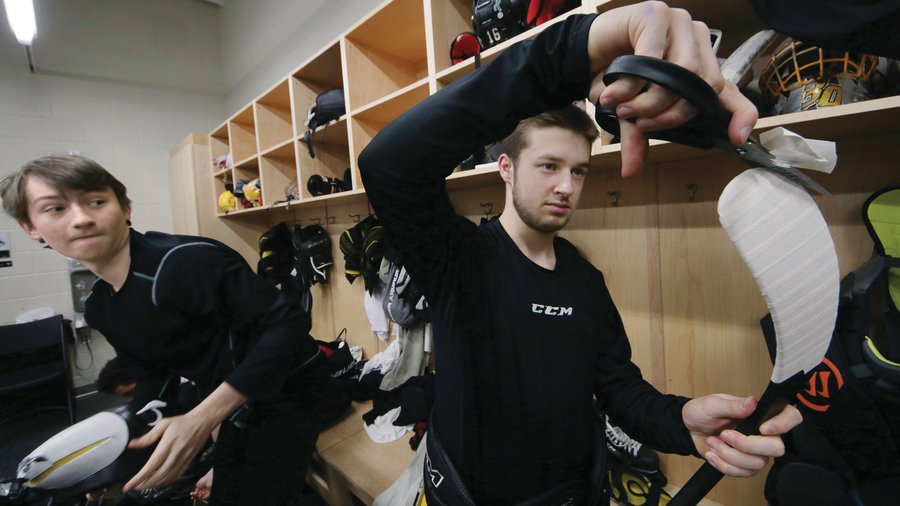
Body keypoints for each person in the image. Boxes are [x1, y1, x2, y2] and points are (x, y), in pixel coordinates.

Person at [358, 3, 802, 504]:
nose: (567, 187)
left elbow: (619, 389)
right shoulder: (456, 257)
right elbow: (389, 165)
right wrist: (566, 57)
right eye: (549, 166)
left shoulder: (584, 279)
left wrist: (681, 421)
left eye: (579, 171)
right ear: (505, 168)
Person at [0, 155, 330, 505]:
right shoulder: (100, 307)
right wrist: (119, 464)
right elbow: (153, 380)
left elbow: (288, 324)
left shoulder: (188, 260)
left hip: (293, 386)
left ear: (125, 207)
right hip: (231, 402)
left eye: (96, 201)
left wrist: (204, 417)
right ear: (30, 227)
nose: (81, 218)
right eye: (55, 208)